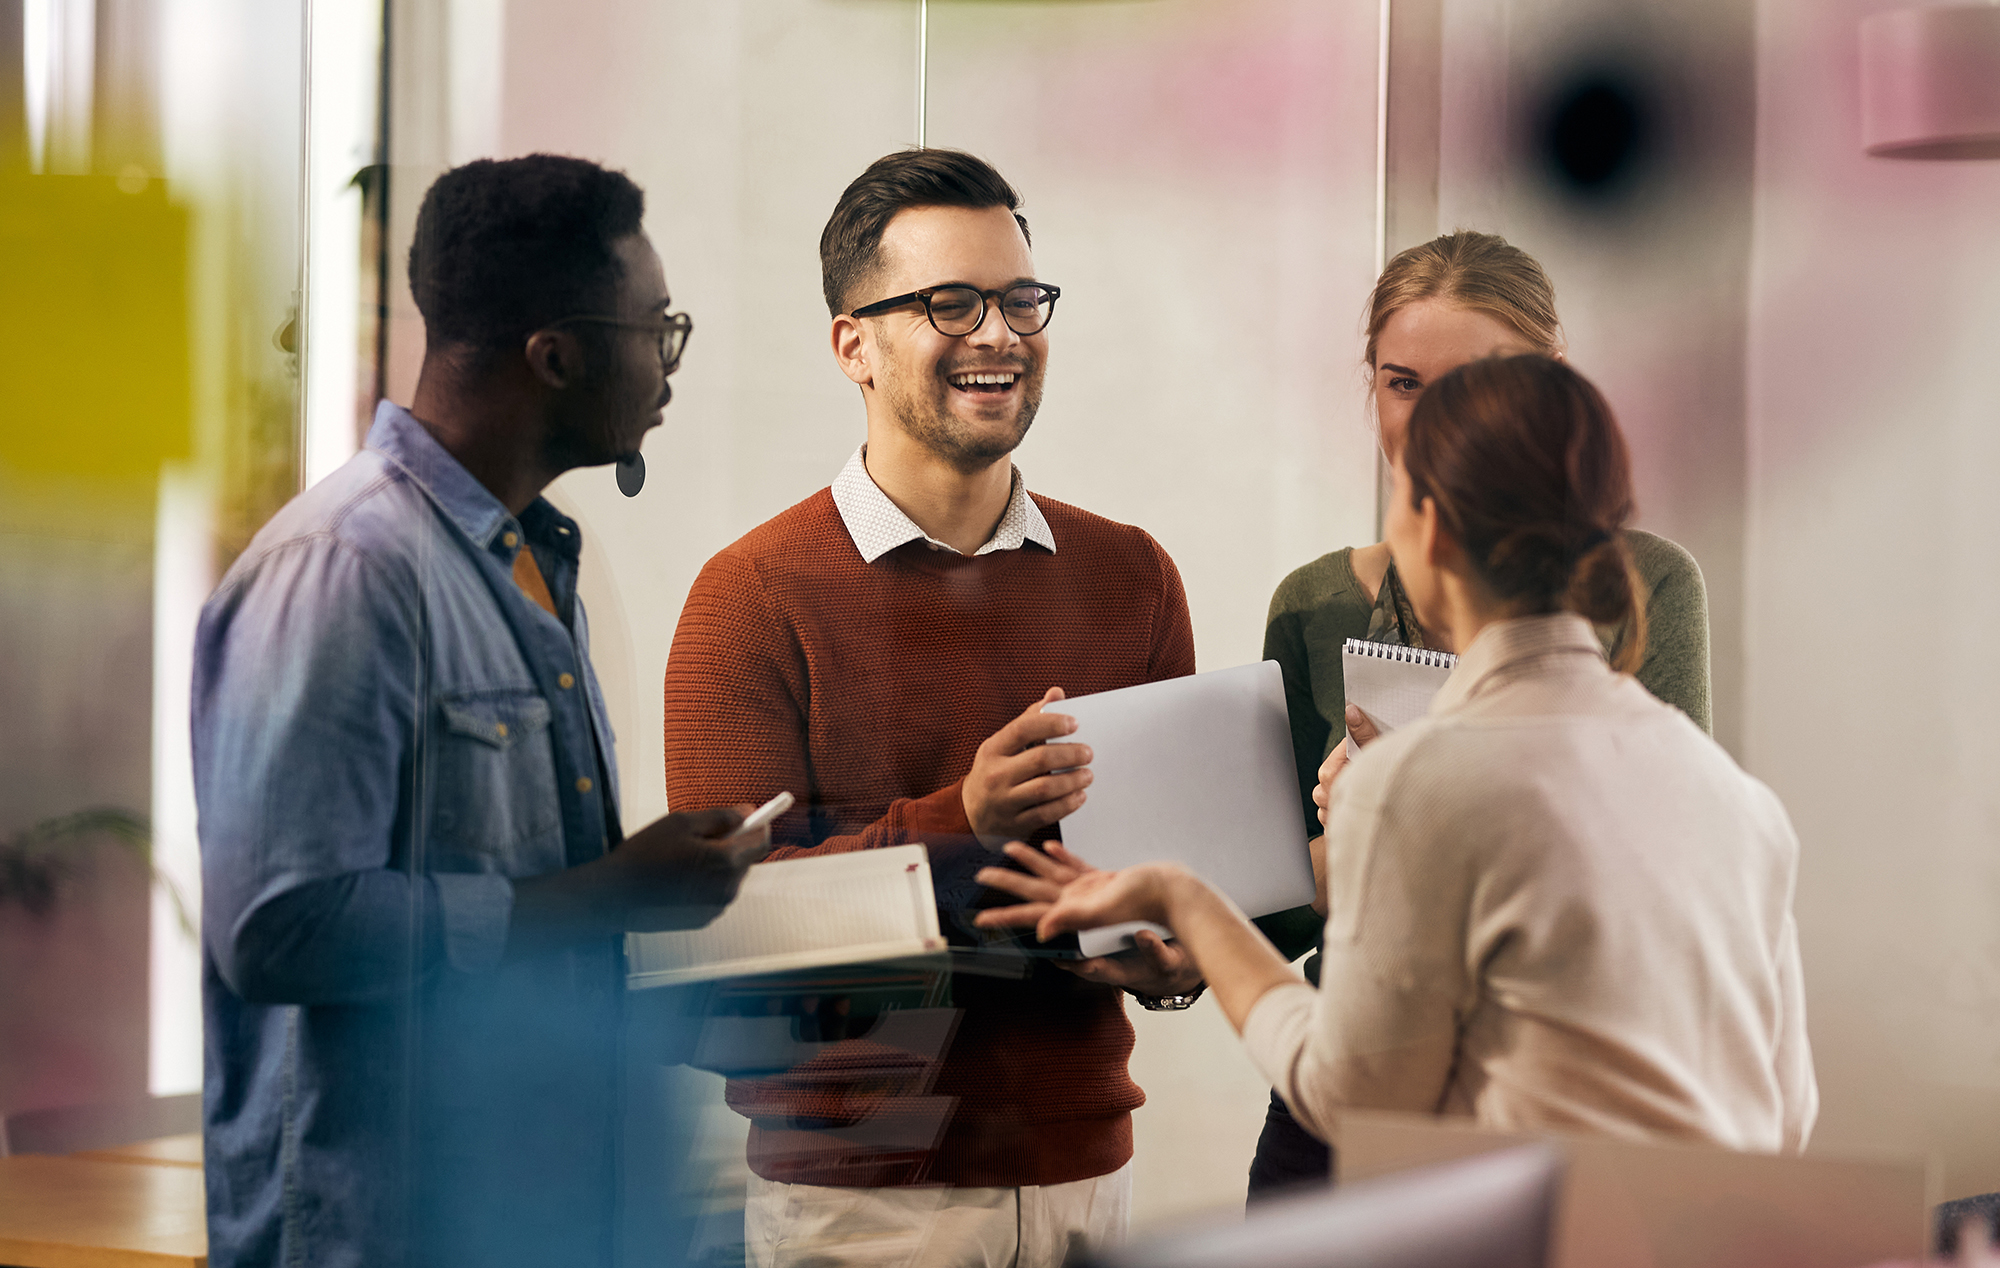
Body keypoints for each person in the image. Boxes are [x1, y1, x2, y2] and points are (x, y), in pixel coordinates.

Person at [979, 354, 1817, 1161]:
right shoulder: (1742, 802)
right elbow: (1786, 1119)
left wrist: (1182, 896)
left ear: (1431, 529)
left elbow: (1349, 1098)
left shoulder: (1416, 784)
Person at [194, 155, 764, 1268]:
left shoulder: (529, 563)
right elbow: (276, 926)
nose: (668, 362)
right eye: (656, 327)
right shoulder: (343, 568)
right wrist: (594, 895)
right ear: (554, 354)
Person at [661, 147, 1202, 1267]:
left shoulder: (1131, 574)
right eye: (948, 304)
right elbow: (733, 932)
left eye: (1018, 299)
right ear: (850, 343)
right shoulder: (750, 595)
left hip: (1081, 1171)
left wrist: (1173, 956)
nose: (997, 333)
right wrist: (964, 815)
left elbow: (1165, 884)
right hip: (863, 1197)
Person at [1250, 230, 1715, 1194]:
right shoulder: (1313, 604)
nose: (1435, 424)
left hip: (1552, 1098)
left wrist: (1422, 807)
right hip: (1345, 1095)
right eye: (1403, 383)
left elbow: (1668, 875)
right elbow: (1286, 900)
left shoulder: (1647, 585)